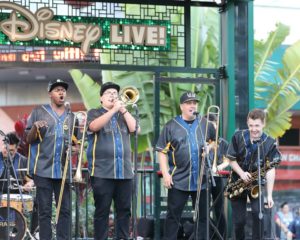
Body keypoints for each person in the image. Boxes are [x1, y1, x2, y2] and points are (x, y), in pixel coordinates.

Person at [155, 91, 215, 240]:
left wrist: (209, 148)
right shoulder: (170, 126)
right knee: (173, 217)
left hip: (202, 178)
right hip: (178, 179)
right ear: (181, 106)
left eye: (194, 103)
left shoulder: (205, 124)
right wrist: (166, 174)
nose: (192, 105)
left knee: (203, 217)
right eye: (189, 103)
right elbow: (162, 151)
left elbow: (214, 141)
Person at [87, 82, 139, 240]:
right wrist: (113, 110)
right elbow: (94, 126)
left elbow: (135, 129)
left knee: (124, 210)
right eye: (108, 93)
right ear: (101, 98)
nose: (112, 95)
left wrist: (122, 109)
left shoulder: (124, 114)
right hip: (102, 172)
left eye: (115, 93)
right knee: (102, 211)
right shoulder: (94, 112)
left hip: (124, 172)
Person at [26, 79, 74, 240]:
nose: (61, 92)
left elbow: (77, 143)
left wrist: (75, 149)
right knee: (45, 211)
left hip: (63, 170)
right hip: (42, 170)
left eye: (63, 90)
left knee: (65, 210)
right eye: (57, 90)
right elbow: (28, 138)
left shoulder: (72, 116)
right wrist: (34, 127)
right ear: (50, 94)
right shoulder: (38, 112)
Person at [226, 108, 281, 240]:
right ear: (247, 123)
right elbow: (231, 159)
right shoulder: (238, 136)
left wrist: (269, 195)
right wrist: (242, 173)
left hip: (256, 184)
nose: (253, 129)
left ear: (263, 124)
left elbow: (271, 169)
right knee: (239, 222)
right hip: (237, 182)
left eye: (257, 125)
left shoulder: (269, 142)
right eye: (250, 125)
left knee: (259, 215)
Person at [205, 114, 229, 239]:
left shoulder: (222, 142)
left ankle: (222, 236)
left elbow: (227, 160)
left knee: (218, 209)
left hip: (218, 177)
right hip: (204, 178)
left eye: (213, 125)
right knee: (203, 209)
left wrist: (219, 167)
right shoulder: (202, 141)